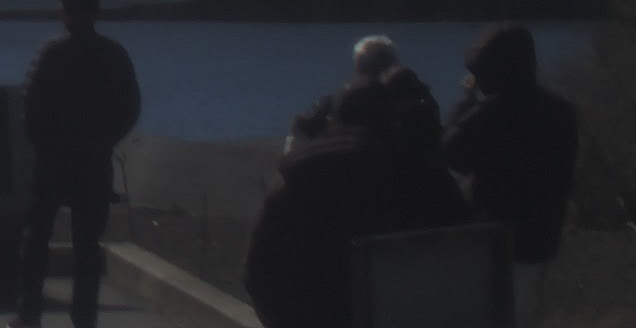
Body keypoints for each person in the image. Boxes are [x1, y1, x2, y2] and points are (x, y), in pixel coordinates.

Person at [245, 68, 473, 328]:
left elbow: (257, 273)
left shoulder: (293, 178)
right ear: (392, 122)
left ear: (333, 121)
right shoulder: (419, 179)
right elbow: (466, 252)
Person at [10, 0, 140, 328]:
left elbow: (30, 107)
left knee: (36, 239)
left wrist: (44, 144)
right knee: (87, 245)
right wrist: (104, 140)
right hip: (93, 162)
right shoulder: (114, 54)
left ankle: (28, 315)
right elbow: (130, 107)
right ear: (97, 12)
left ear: (62, 12)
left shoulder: (51, 53)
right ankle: (84, 319)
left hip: (52, 162)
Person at [442, 22, 579, 325]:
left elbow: (451, 154)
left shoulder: (492, 113)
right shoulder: (561, 111)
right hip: (542, 236)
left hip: (495, 239)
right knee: (524, 312)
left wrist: (464, 104)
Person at [287, 35, 400, 150]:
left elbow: (300, 128)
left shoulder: (330, 102)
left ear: (357, 63)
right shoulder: (393, 99)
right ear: (388, 64)